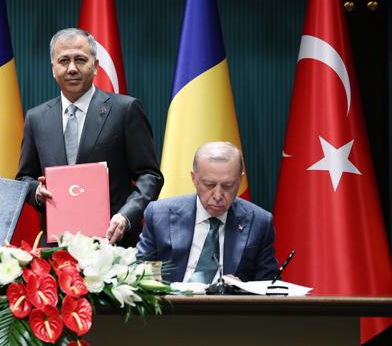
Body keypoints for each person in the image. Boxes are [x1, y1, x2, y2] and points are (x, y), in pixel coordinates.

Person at [16, 28, 163, 246]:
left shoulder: (125, 110)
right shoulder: (36, 118)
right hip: (57, 247)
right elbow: (24, 178)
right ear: (53, 69)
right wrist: (36, 192)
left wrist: (126, 215)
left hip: (113, 244)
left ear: (95, 66)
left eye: (80, 60)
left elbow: (149, 175)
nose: (72, 68)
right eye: (63, 61)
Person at [137, 141, 278, 283]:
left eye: (228, 186)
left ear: (240, 181)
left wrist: (240, 290)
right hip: (173, 296)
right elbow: (141, 274)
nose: (218, 196)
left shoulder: (259, 222)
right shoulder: (159, 215)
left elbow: (268, 286)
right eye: (209, 185)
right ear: (194, 178)